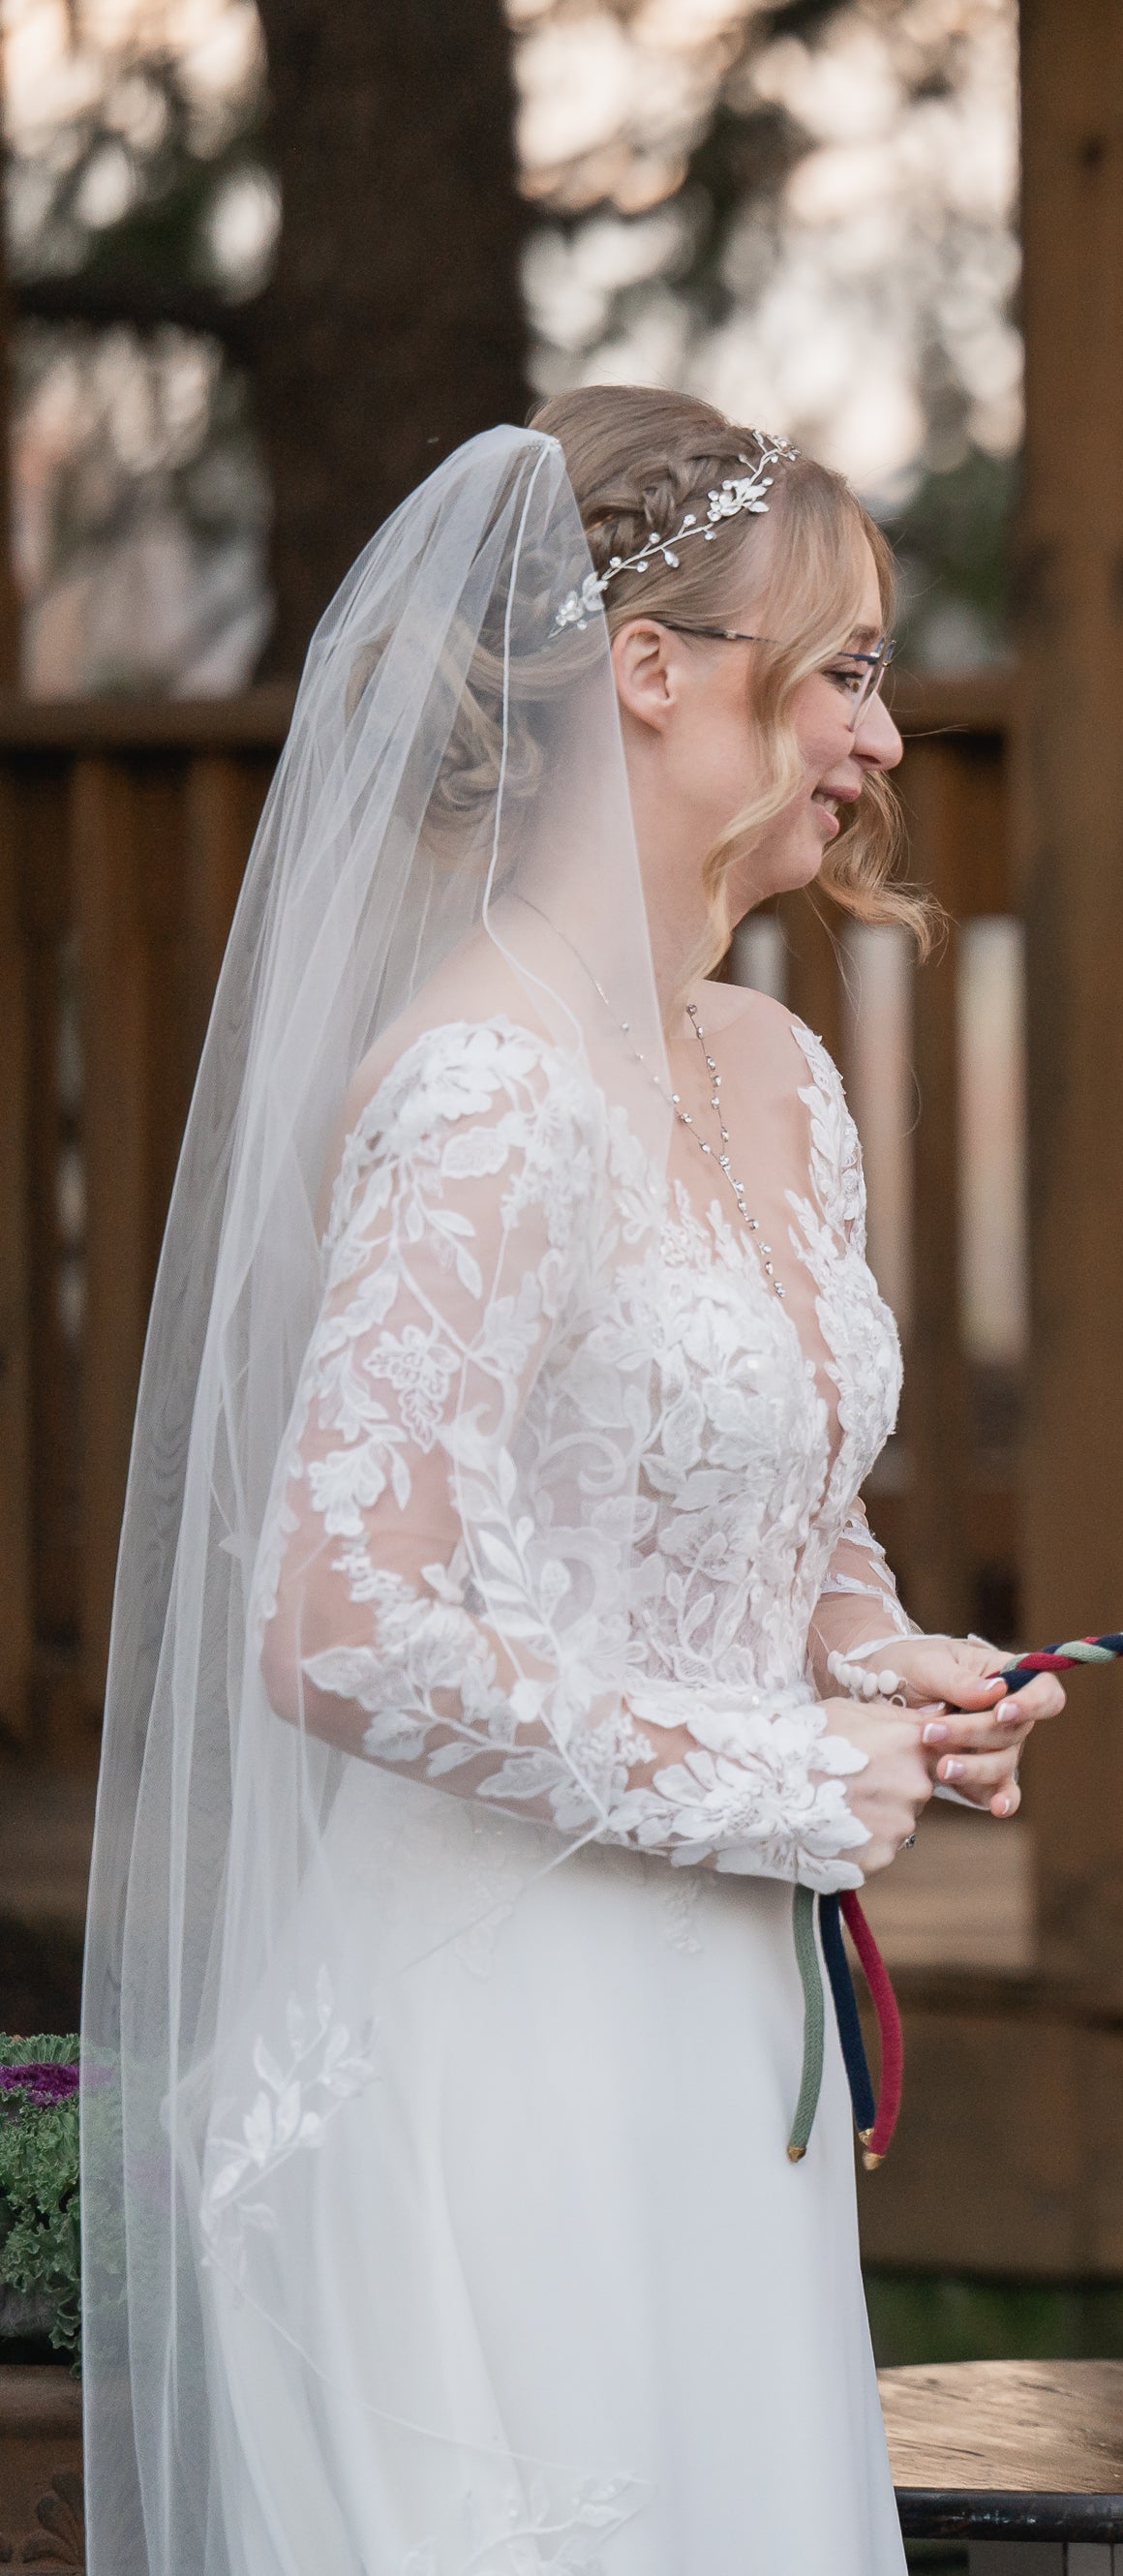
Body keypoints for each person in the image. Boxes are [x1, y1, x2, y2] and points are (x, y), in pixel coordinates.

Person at [82, 390, 1062, 2574]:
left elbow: (777, 1508)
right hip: (500, 2044)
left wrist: (885, 1663)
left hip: (716, 2033)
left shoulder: (775, 1070)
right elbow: (341, 1619)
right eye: (847, 671)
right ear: (650, 671)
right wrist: (776, 1772)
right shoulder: (480, 1088)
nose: (882, 738)